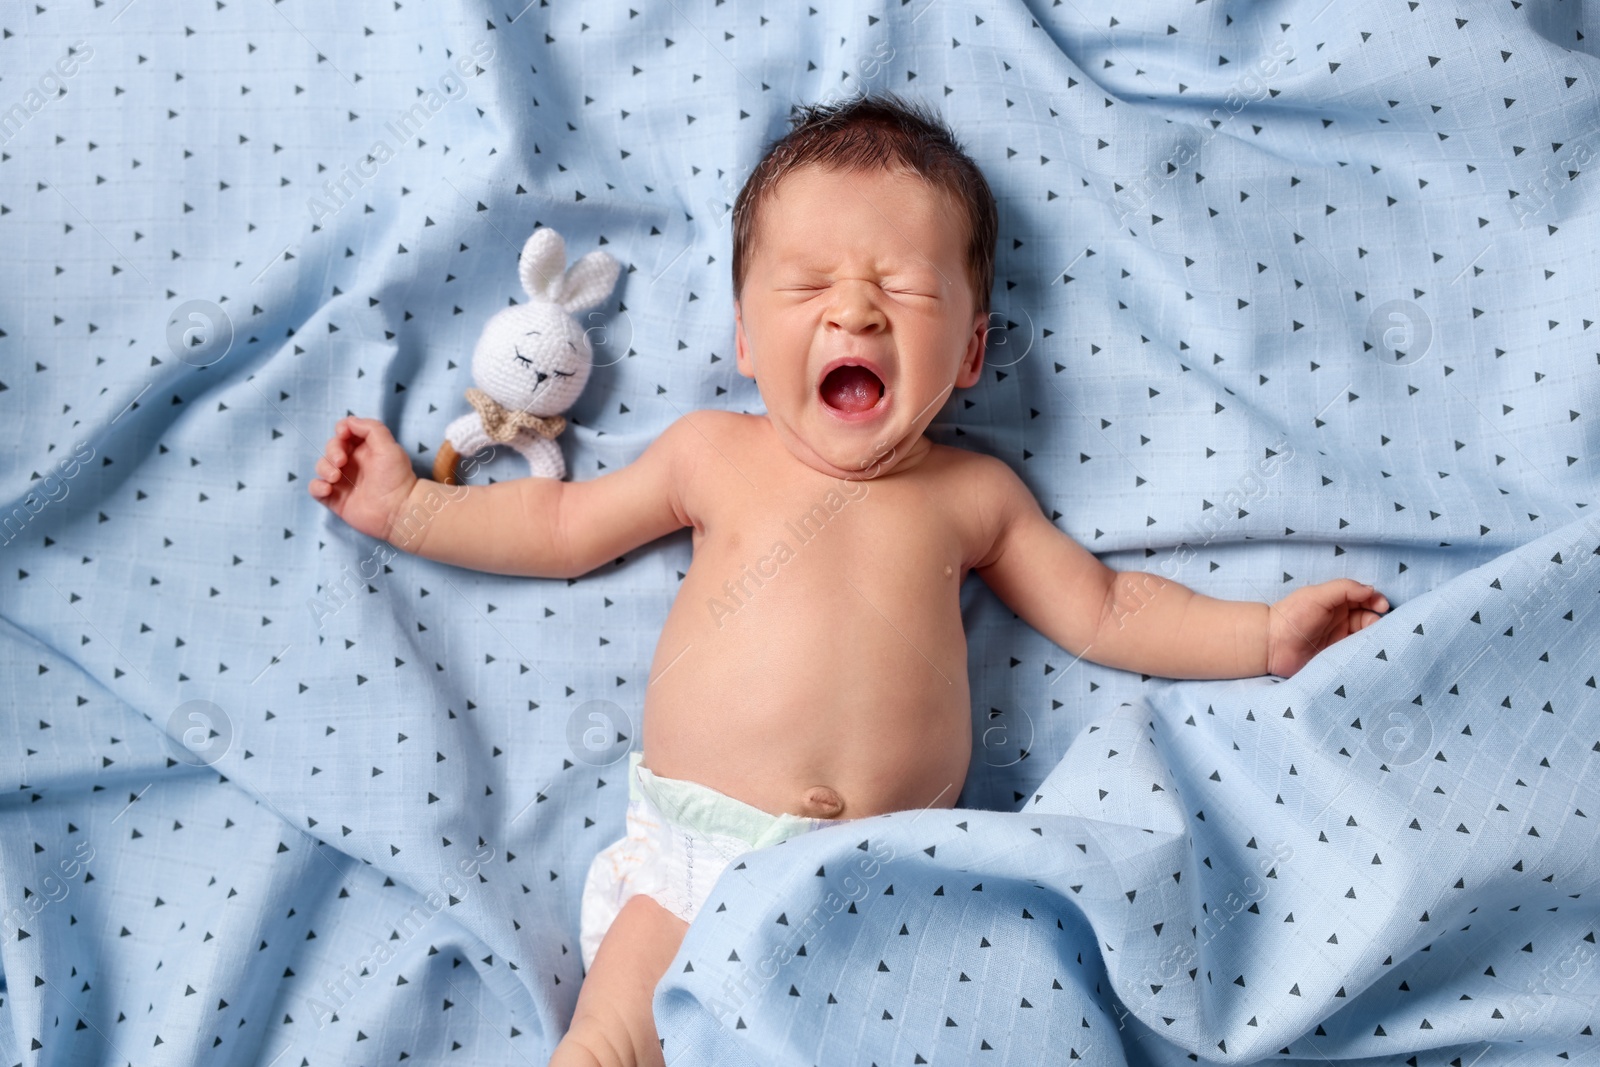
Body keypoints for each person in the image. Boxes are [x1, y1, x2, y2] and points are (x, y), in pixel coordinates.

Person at [308, 92, 1390, 1067]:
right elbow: (556, 522)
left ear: (970, 353)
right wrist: (411, 507)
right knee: (606, 1045)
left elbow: (1106, 608)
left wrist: (1261, 636)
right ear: (742, 336)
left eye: (903, 287)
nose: (855, 310)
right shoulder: (710, 454)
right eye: (809, 285)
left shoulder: (975, 496)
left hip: (888, 872)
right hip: (694, 856)